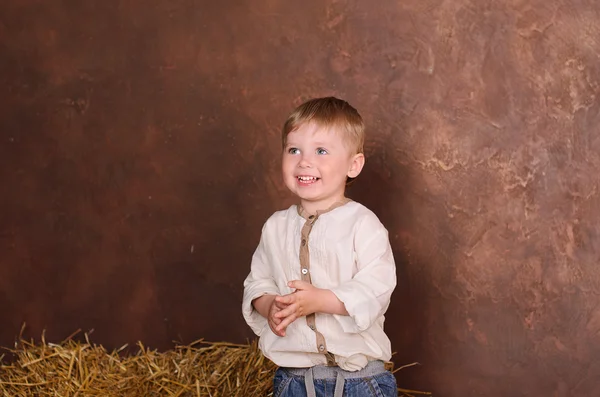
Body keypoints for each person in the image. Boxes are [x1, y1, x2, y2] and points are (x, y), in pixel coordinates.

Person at [242, 97, 398, 397]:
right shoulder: (275, 227)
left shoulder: (363, 224)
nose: (304, 161)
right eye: (293, 150)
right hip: (294, 382)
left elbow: (376, 288)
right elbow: (256, 282)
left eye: (321, 151)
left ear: (353, 165)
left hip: (360, 382)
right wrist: (269, 304)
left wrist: (321, 301)